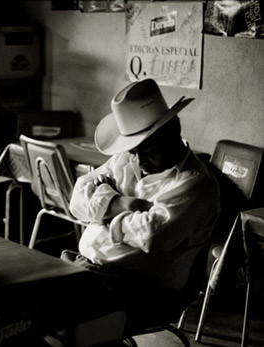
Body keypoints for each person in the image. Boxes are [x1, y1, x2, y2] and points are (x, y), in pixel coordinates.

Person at [64, 78, 220, 305]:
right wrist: (124, 204)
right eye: (133, 151)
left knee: (47, 313)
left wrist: (102, 213)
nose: (138, 160)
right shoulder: (125, 159)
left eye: (147, 150)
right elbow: (76, 201)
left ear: (173, 133)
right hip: (91, 269)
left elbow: (151, 235)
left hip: (143, 289)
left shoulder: (196, 184)